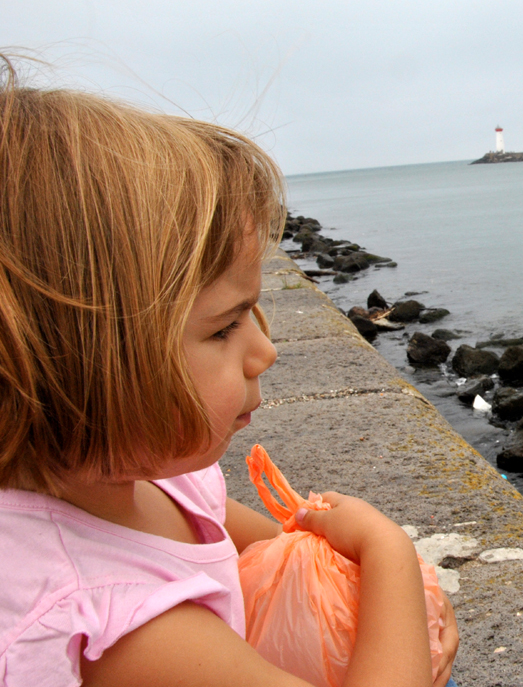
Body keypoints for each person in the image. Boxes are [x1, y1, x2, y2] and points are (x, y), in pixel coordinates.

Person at [0, 55, 457, 687]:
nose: (266, 351)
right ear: (80, 364)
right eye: (224, 326)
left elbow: (276, 551)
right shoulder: (124, 625)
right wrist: (390, 556)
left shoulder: (156, 482)